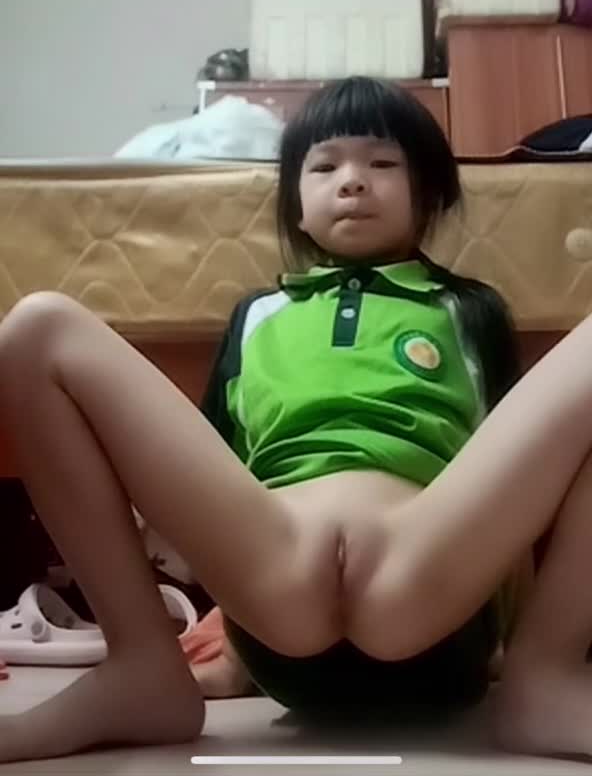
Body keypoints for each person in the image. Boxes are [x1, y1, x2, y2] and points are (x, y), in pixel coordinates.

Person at [0, 78, 591, 763]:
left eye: (383, 162)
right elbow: (213, 476)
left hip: (427, 585)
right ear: (296, 207)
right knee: (37, 328)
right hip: (276, 582)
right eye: (324, 165)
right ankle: (142, 667)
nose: (353, 181)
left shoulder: (466, 310)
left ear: (428, 193)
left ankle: (544, 675)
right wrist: (230, 643)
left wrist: (510, 639)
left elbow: (516, 480)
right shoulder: (257, 317)